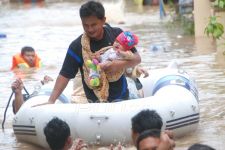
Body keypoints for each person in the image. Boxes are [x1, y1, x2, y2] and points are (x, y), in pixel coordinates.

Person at [41, 0, 141, 104]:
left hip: (121, 99)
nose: (90, 29)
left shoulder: (117, 35)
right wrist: (51, 101)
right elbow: (65, 75)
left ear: (103, 20)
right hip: (94, 103)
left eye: (94, 25)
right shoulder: (77, 46)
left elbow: (137, 59)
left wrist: (116, 65)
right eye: (86, 25)